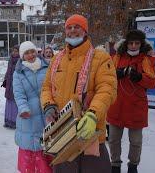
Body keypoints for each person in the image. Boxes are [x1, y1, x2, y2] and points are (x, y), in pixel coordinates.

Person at [41, 14, 117, 173]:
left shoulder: (100, 57)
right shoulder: (57, 59)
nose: (72, 30)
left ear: (85, 31)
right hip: (63, 132)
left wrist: (93, 114)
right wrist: (48, 105)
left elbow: (107, 89)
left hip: (89, 130)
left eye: (77, 27)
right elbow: (47, 87)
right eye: (69, 27)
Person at [107, 30, 155, 173]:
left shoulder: (147, 60)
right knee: (113, 140)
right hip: (117, 106)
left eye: (137, 43)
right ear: (126, 43)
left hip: (137, 107)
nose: (134, 46)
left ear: (141, 44)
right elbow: (106, 76)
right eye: (131, 43)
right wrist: (116, 74)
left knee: (136, 142)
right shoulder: (116, 57)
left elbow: (154, 82)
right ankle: (115, 165)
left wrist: (140, 78)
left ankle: (133, 166)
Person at [13, 41, 52, 173]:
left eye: (32, 51)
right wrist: (23, 108)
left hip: (48, 112)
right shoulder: (18, 73)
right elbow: (18, 94)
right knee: (31, 146)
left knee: (48, 145)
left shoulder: (47, 67)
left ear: (36, 51)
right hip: (29, 115)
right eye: (26, 53)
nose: (30, 55)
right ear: (22, 56)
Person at [1, 45, 20, 129]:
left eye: (16, 51)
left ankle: (16, 122)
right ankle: (8, 121)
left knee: (16, 103)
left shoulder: (21, 61)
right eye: (13, 51)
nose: (14, 53)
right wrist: (5, 80)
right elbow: (8, 71)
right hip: (9, 83)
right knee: (9, 103)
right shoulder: (10, 60)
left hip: (16, 85)